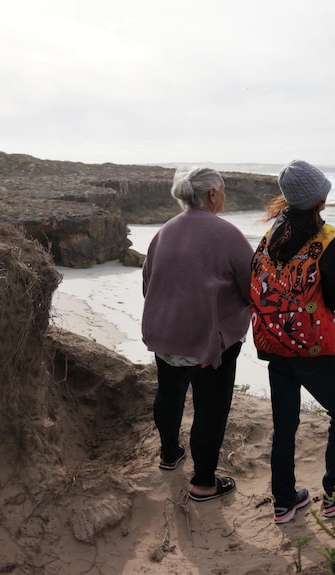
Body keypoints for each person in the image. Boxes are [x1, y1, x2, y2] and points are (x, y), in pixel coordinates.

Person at [249, 160, 335, 524]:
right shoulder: (327, 238)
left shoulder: (271, 234)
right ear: (318, 197)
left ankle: (284, 501)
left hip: (274, 341)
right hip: (312, 346)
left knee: (285, 423)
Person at [142, 167, 253, 501]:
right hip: (209, 342)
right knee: (210, 409)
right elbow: (252, 287)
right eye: (224, 189)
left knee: (169, 393)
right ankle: (204, 482)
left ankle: (169, 453)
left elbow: (148, 283)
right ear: (213, 194)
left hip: (165, 336)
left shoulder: (164, 231)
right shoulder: (226, 233)